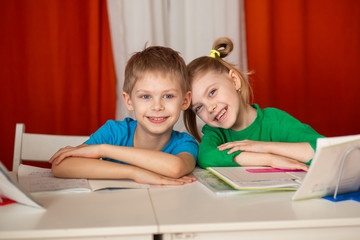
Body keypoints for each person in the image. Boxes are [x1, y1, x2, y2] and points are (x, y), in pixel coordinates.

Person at [49, 46, 198, 185]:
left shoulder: (185, 143)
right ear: (129, 101)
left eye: (168, 96)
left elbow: (175, 168)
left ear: (185, 101)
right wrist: (133, 172)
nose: (157, 106)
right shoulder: (114, 132)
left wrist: (103, 150)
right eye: (145, 97)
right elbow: (61, 166)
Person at [183, 37, 324, 171]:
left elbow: (324, 150)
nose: (210, 108)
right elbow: (206, 157)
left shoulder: (275, 120)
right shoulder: (214, 132)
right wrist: (269, 159)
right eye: (199, 107)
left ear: (234, 81)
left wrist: (264, 147)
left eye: (212, 92)